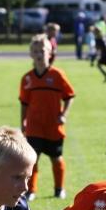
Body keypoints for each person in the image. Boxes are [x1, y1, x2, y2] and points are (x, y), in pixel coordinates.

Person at [20, 34, 75, 201]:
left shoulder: (57, 75)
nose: (39, 54)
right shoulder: (27, 78)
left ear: (50, 52)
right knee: (32, 160)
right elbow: (24, 103)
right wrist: (23, 122)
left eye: (42, 50)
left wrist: (64, 115)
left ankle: (59, 189)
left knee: (56, 159)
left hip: (53, 126)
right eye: (35, 51)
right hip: (34, 127)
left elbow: (69, 96)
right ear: (31, 54)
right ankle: (31, 191)